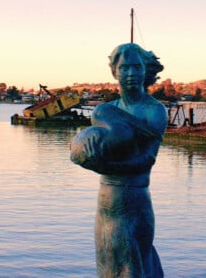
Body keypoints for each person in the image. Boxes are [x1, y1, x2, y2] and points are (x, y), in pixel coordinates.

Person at [70, 43, 167, 278]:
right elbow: (88, 147)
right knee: (108, 266)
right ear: (114, 71)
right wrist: (80, 153)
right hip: (105, 201)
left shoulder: (154, 111)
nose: (131, 73)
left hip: (133, 199)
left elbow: (146, 161)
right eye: (124, 68)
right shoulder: (107, 109)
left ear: (146, 71)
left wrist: (102, 166)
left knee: (134, 267)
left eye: (137, 67)